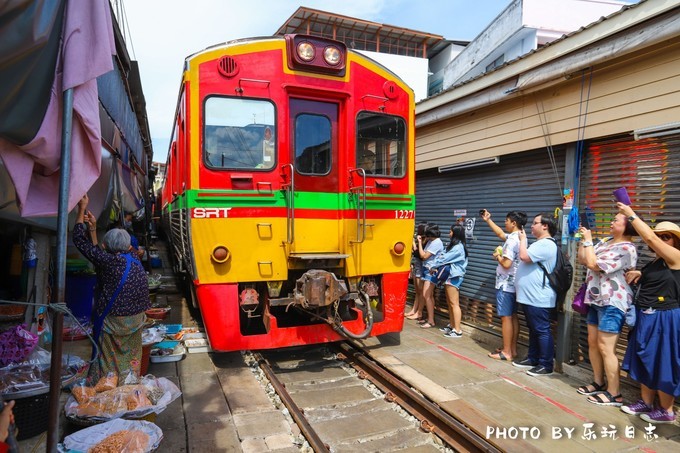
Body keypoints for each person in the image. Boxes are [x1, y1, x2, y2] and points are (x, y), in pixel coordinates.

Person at [73, 194, 150, 381]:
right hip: (136, 319)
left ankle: (109, 389)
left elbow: (78, 240)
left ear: (106, 246)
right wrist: (92, 229)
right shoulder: (134, 258)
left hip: (115, 320)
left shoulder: (109, 262)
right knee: (130, 358)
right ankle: (129, 386)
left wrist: (81, 209)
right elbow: (99, 255)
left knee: (108, 360)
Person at [617, 203, 680, 424]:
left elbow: (650, 240)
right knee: (645, 359)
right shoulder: (657, 261)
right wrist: (639, 273)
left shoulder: (676, 257)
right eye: (659, 236)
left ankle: (666, 410)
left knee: (663, 361)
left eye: (667, 237)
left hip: (665, 317)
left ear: (675, 241)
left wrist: (631, 215)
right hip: (646, 315)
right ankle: (646, 402)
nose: (661, 240)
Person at [576, 213, 637, 406]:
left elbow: (595, 264)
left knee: (606, 347)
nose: (611, 222)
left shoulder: (627, 248)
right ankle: (598, 381)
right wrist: (582, 240)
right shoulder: (604, 241)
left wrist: (588, 241)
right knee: (593, 342)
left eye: (616, 220)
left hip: (613, 300)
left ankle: (615, 393)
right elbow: (584, 260)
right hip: (595, 298)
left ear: (627, 226)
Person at [513, 213, 558, 376]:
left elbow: (524, 256)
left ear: (545, 226)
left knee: (542, 330)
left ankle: (546, 364)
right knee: (533, 329)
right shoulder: (540, 243)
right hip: (530, 297)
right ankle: (533, 358)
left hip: (539, 297)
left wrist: (522, 240)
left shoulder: (546, 244)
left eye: (535, 223)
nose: (531, 226)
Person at [481, 209, 527, 360]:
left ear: (513, 223)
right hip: (514, 284)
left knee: (506, 317)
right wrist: (488, 220)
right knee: (513, 316)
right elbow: (501, 234)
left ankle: (506, 352)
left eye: (507, 221)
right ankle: (512, 349)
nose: (505, 223)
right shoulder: (519, 237)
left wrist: (498, 257)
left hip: (505, 285)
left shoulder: (512, 240)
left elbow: (506, 263)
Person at [429, 224, 468, 338]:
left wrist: (433, 265)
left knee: (454, 303)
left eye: (450, 232)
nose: (449, 234)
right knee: (450, 303)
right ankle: (452, 325)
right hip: (450, 276)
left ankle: (458, 330)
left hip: (454, 277)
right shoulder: (453, 246)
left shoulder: (458, 248)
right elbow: (442, 255)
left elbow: (443, 258)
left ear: (455, 233)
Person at [417, 224, 444, 328]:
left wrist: (419, 242)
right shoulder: (431, 241)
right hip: (427, 269)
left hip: (431, 271)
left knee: (426, 295)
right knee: (429, 296)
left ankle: (431, 321)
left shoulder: (436, 242)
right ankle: (429, 318)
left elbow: (423, 256)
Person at [405, 223, 428, 321]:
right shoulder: (420, 240)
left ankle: (419, 312)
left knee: (421, 291)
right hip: (416, 266)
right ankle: (414, 310)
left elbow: (420, 254)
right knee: (417, 291)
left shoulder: (426, 241)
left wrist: (416, 244)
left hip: (421, 267)